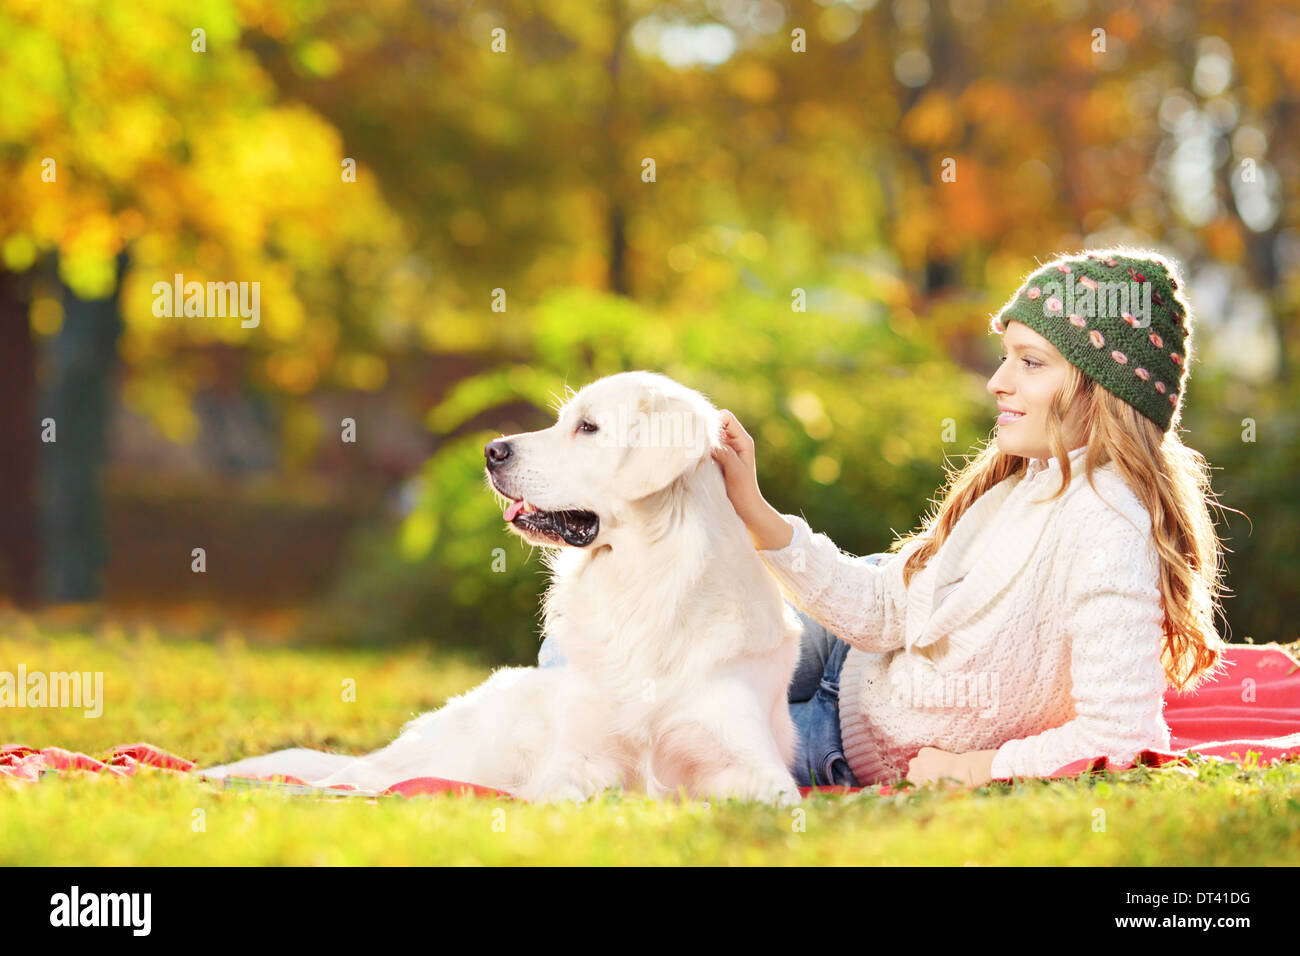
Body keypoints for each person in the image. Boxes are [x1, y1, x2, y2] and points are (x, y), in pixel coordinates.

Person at [710, 248, 1233, 789]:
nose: (997, 381)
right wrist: (753, 509)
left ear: (1102, 391)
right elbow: (882, 610)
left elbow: (1122, 737)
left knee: (667, 732)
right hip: (857, 652)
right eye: (1005, 356)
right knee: (671, 651)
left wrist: (972, 768)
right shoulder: (1025, 479)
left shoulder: (1109, 526)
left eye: (1030, 362)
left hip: (839, 736)